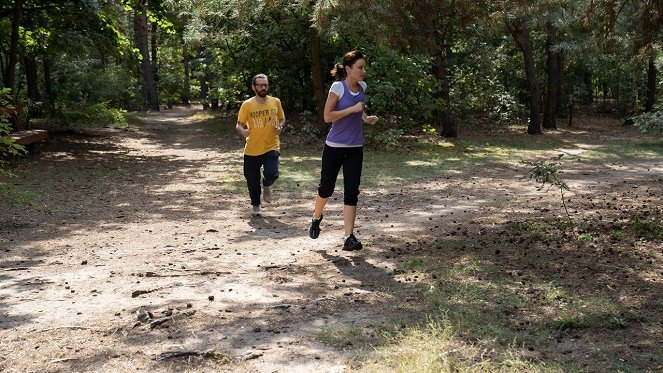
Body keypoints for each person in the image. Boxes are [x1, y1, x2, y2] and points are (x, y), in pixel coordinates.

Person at [308, 50, 378, 250]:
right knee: (326, 189)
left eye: (364, 67)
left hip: (356, 147)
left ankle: (349, 237)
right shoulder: (337, 87)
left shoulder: (362, 87)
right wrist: (351, 110)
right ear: (348, 69)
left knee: (351, 192)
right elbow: (327, 117)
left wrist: (366, 118)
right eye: (360, 67)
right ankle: (316, 217)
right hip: (334, 147)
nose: (363, 71)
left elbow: (359, 109)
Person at [236, 73, 286, 217]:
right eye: (260, 85)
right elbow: (239, 125)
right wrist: (243, 132)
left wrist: (280, 127)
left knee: (272, 174)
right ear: (254, 87)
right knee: (252, 180)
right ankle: (256, 205)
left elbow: (282, 119)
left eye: (265, 85)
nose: (263, 87)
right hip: (252, 149)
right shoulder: (247, 105)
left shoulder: (275, 102)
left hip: (271, 145)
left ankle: (267, 184)